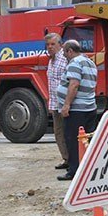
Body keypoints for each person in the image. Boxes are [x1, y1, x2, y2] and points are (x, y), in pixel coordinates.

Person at [56, 39, 99, 181]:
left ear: (70, 51)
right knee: (87, 140)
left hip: (77, 110)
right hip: (89, 107)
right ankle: (89, 169)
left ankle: (74, 171)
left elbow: (74, 85)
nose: (64, 56)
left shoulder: (75, 63)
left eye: (64, 53)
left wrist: (66, 105)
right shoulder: (90, 62)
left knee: (73, 141)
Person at [45, 33, 69, 171]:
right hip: (55, 104)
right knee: (58, 132)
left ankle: (74, 160)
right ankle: (66, 159)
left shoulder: (65, 59)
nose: (50, 47)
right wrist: (50, 103)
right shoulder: (51, 61)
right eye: (48, 45)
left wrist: (67, 103)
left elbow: (71, 82)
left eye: (53, 44)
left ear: (60, 44)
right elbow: (52, 83)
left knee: (69, 133)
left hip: (65, 103)